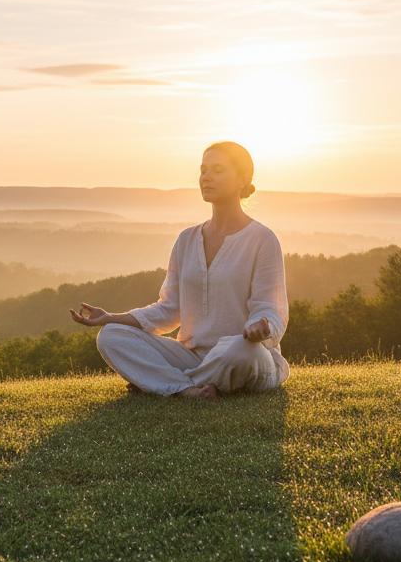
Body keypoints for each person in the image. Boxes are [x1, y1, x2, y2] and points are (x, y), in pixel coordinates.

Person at [69, 142, 289, 402]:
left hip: (244, 355)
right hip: (192, 355)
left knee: (241, 350)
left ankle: (165, 382)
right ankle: (189, 390)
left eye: (218, 170)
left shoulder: (263, 239)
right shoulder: (186, 239)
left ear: (243, 179)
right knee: (111, 336)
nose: (206, 177)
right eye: (203, 169)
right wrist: (109, 317)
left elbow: (270, 308)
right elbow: (169, 309)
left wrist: (262, 328)